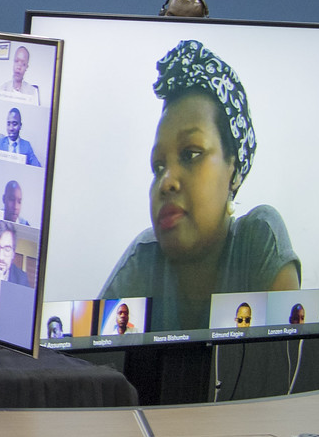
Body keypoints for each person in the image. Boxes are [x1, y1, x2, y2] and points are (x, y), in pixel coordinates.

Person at [99, 40, 299, 331]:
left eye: (191, 154)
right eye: (158, 166)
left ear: (234, 170)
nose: (166, 182)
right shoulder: (143, 258)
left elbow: (286, 358)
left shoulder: (257, 238)